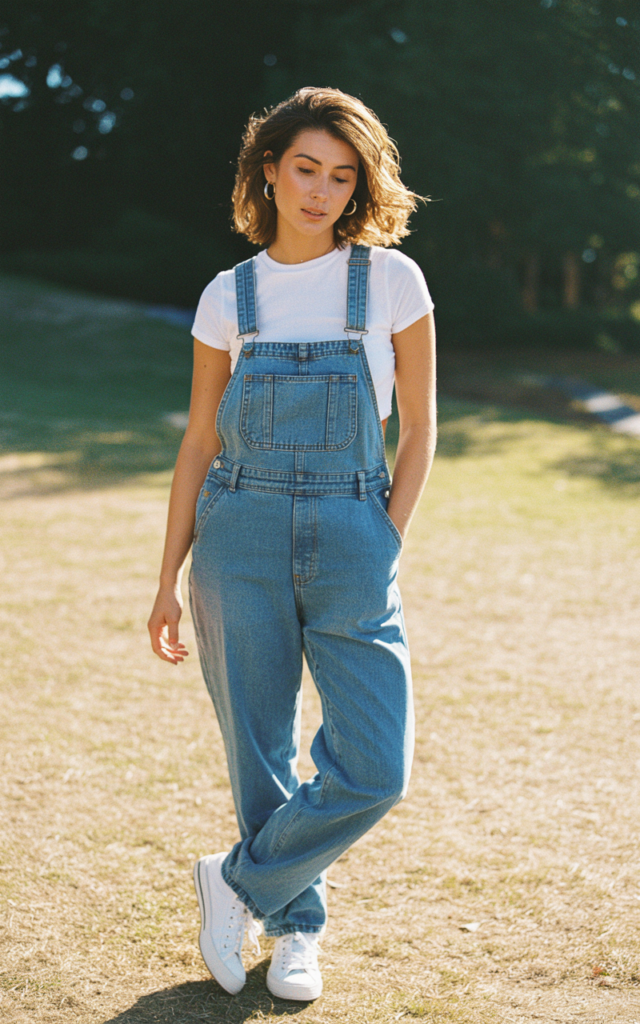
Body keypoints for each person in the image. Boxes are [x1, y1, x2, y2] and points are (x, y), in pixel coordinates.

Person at [147, 86, 437, 1002]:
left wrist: (382, 538)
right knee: (261, 746)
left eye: (340, 176)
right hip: (239, 531)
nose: (319, 191)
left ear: (358, 188)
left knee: (377, 766)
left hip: (356, 524)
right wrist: (167, 579)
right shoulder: (227, 295)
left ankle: (238, 881)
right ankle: (297, 925)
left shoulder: (392, 280)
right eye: (304, 169)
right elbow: (200, 440)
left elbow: (422, 428)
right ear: (268, 170)